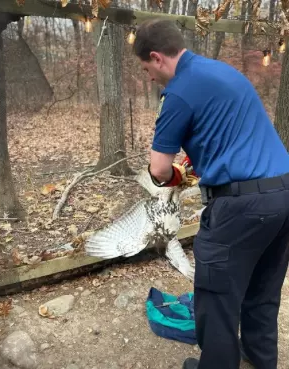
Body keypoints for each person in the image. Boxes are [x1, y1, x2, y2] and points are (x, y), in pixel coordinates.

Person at [132, 18, 289, 369]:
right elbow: (230, 132)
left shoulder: (178, 94)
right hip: (284, 193)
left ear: (157, 57)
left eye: (146, 68)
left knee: (215, 297)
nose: (149, 77)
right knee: (262, 291)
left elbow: (158, 170)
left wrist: (176, 176)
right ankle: (261, 360)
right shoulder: (224, 72)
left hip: (241, 207)